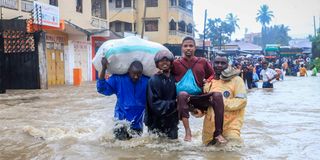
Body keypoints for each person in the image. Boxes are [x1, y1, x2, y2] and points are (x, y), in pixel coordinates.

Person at [172, 36, 226, 143]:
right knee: (182, 94)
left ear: (195, 48)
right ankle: (188, 131)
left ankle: (218, 133)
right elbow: (167, 74)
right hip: (184, 98)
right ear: (182, 48)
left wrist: (208, 80)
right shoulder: (175, 63)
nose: (188, 48)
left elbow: (212, 74)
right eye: (186, 46)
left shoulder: (203, 62)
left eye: (191, 46)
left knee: (218, 96)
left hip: (200, 96)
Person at [97, 58, 149, 140]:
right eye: (133, 74)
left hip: (137, 124)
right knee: (120, 149)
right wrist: (104, 68)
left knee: (135, 150)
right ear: (129, 71)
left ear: (142, 73)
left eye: (139, 74)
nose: (136, 76)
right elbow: (101, 88)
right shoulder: (118, 79)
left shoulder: (147, 81)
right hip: (121, 122)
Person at [202, 56, 247, 144]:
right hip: (209, 127)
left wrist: (218, 103)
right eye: (217, 63)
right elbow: (204, 109)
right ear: (212, 64)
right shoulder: (208, 83)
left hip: (231, 125)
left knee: (233, 149)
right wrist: (196, 111)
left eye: (223, 63)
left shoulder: (237, 80)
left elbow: (242, 101)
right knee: (208, 153)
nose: (219, 65)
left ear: (228, 65)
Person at [144, 50, 179, 139]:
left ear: (171, 63)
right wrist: (175, 104)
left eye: (167, 61)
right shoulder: (153, 80)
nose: (164, 63)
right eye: (161, 61)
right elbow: (154, 103)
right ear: (157, 64)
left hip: (172, 122)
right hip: (155, 121)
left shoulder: (174, 78)